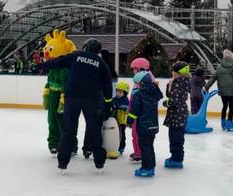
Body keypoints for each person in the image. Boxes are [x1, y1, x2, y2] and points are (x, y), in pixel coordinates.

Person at [37, 38, 112, 171]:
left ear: (85, 47)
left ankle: (62, 163)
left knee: (68, 129)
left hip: (72, 98)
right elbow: (107, 84)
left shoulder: (76, 56)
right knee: (94, 129)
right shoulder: (101, 63)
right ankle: (99, 163)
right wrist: (108, 103)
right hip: (91, 99)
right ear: (98, 50)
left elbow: (58, 61)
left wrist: (41, 66)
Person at [127, 71, 163, 177]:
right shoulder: (155, 93)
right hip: (153, 126)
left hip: (143, 126)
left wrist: (129, 120)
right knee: (150, 146)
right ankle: (151, 166)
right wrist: (156, 86)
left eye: (137, 84)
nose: (136, 86)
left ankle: (147, 168)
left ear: (142, 83)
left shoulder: (138, 95)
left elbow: (134, 111)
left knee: (144, 147)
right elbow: (160, 95)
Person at [204, 49, 233, 131]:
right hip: (231, 92)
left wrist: (206, 86)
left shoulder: (219, 67)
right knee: (231, 107)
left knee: (224, 106)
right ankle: (230, 123)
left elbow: (213, 78)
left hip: (222, 91)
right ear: (231, 57)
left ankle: (223, 124)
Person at [163, 61, 190, 169]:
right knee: (178, 137)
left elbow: (172, 100)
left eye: (173, 71)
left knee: (175, 137)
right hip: (182, 112)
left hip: (176, 114)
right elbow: (172, 95)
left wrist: (166, 103)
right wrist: (169, 85)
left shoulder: (178, 82)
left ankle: (176, 159)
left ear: (176, 72)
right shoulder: (185, 81)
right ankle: (177, 157)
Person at [128, 57, 155, 163]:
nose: (133, 72)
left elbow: (137, 101)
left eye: (134, 69)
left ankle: (139, 153)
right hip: (140, 114)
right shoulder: (142, 81)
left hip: (139, 114)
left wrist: (132, 114)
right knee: (137, 134)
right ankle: (139, 151)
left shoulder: (142, 83)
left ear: (140, 69)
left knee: (137, 134)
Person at [111, 81, 130, 155]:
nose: (118, 93)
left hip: (122, 121)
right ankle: (114, 146)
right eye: (117, 91)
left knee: (121, 134)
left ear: (125, 93)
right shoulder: (114, 99)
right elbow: (111, 104)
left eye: (120, 92)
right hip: (114, 120)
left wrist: (119, 107)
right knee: (114, 134)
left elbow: (127, 108)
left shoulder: (126, 100)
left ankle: (121, 147)